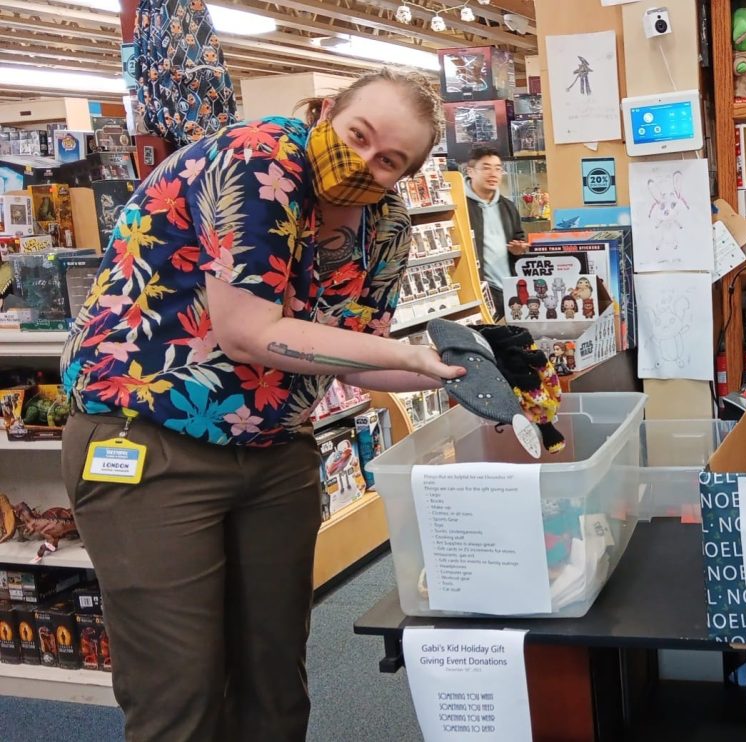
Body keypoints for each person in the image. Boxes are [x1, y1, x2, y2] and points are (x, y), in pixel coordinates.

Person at [59, 67, 464, 742]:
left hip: (275, 449)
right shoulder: (258, 158)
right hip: (149, 440)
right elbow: (248, 331)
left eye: (388, 159)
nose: (362, 162)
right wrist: (401, 357)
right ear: (327, 110)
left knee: (275, 677)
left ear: (408, 174)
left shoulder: (386, 225)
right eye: (357, 135)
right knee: (178, 687)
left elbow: (357, 352)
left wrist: (454, 368)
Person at [464, 146, 527, 318]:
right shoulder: (460, 206)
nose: (493, 174)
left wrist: (519, 249)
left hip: (509, 289)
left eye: (498, 169)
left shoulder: (507, 206)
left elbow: (519, 238)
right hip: (480, 291)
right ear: (470, 171)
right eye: (486, 168)